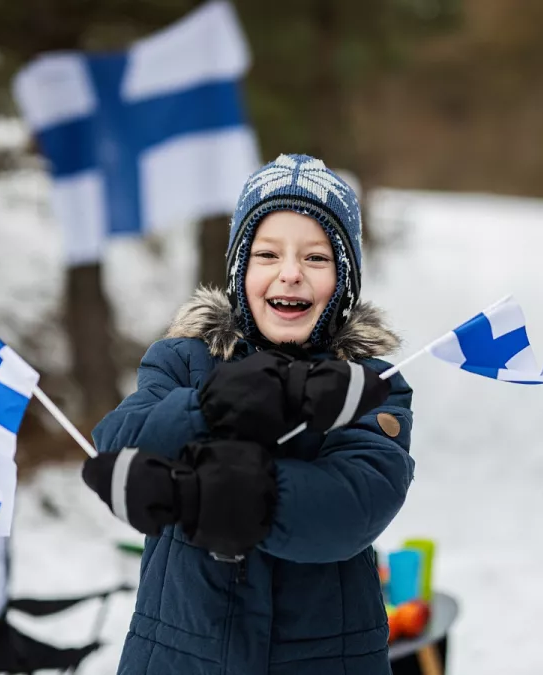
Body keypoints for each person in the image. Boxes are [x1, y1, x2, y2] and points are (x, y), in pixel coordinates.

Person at [81, 153, 415, 675]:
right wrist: (210, 405)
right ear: (240, 269)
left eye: (316, 258)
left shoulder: (369, 386)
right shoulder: (183, 359)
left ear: (344, 280)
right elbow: (120, 445)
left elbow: (357, 502)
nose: (290, 274)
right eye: (267, 254)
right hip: (177, 657)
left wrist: (209, 493)